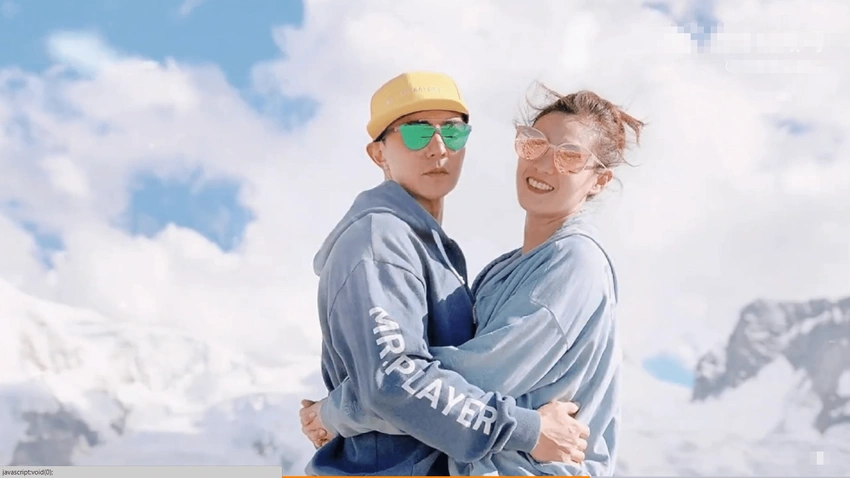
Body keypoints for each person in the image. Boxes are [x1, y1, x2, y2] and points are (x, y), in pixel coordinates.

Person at [301, 86, 644, 475]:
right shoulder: (498, 267)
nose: (545, 166)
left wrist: (337, 411)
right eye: (534, 144)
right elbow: (416, 385)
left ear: (599, 180)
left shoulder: (574, 262)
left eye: (569, 156)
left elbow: (462, 379)